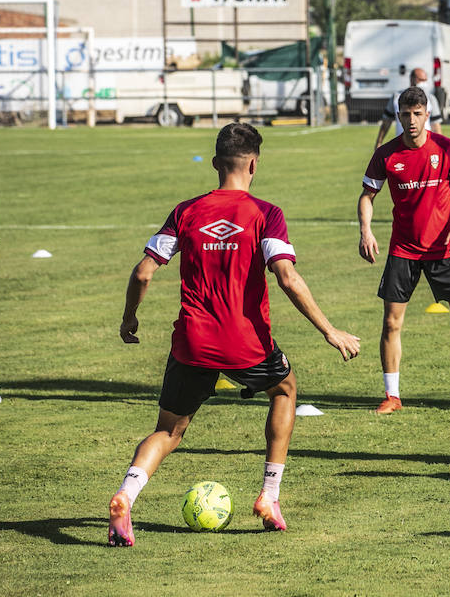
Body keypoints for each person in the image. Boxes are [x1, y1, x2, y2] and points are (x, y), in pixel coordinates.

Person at [109, 123, 361, 547]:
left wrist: (129, 318)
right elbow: (287, 277)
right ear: (254, 164)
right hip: (247, 343)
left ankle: (126, 494)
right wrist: (330, 330)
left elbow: (143, 271)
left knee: (169, 431)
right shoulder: (266, 213)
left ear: (214, 164)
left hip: (192, 342)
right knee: (284, 390)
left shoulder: (186, 211)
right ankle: (269, 496)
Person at [359, 87, 450, 414]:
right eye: (406, 114)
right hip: (404, 250)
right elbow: (367, 195)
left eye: (417, 113)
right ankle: (392, 395)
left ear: (427, 114)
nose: (411, 120)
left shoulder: (447, 148)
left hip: (445, 249)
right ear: (398, 116)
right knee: (391, 323)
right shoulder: (386, 155)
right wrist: (365, 229)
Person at [374, 67, 442, 146]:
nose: (412, 120)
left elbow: (436, 125)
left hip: (424, 145)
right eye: (421, 80)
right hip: (401, 145)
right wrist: (379, 142)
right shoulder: (397, 97)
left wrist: (441, 145)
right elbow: (386, 122)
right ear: (412, 79)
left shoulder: (431, 98)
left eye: (425, 80)